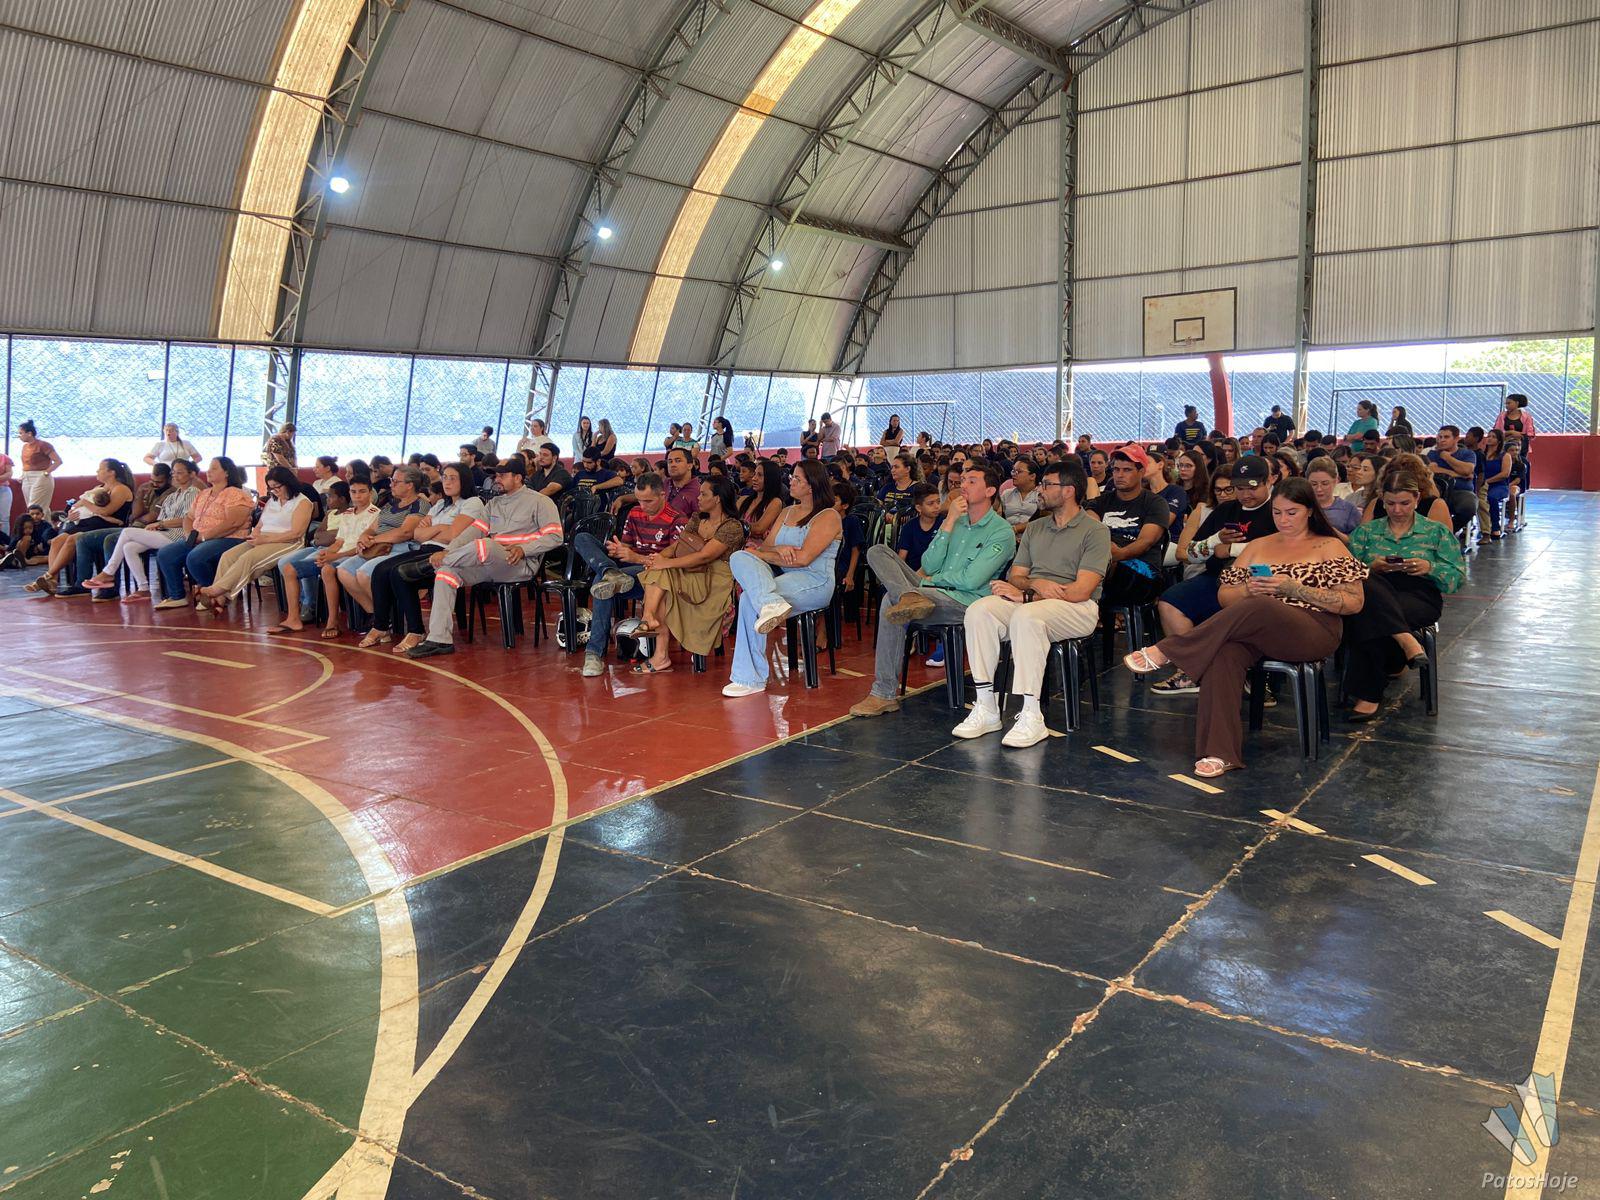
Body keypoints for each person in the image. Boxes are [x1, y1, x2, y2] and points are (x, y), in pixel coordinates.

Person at [1125, 478, 1365, 777]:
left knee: (1262, 605)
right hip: (1257, 628)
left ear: (1309, 511)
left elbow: (1354, 603)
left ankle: (1170, 650)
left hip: (1314, 629)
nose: (1283, 519)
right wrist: (1248, 590)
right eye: (1277, 512)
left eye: (1292, 512)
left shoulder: (1329, 545)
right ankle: (1220, 752)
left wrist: (1294, 589)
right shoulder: (1259, 546)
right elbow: (1225, 597)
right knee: (1224, 652)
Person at [944, 458, 1112, 747]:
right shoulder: (1035, 528)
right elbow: (1017, 576)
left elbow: (1081, 591)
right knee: (980, 610)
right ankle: (986, 707)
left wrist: (1029, 594)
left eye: (1046, 485)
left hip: (1077, 609)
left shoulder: (1095, 531)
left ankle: (1032, 715)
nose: (1040, 490)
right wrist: (1034, 586)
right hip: (1035, 602)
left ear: (1069, 491)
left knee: (1027, 616)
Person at [847, 463, 1013, 716]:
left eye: (971, 481)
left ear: (990, 491)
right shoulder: (955, 522)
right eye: (962, 480)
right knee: (877, 551)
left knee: (891, 600)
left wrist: (932, 581)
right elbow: (929, 563)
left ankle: (883, 694)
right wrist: (949, 521)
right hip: (930, 591)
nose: (963, 486)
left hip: (964, 601)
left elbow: (971, 580)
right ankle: (909, 596)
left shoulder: (1001, 531)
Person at [407, 456, 564, 658]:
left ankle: (429, 565)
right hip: (491, 562)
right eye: (496, 476)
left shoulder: (540, 501)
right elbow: (472, 532)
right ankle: (439, 639)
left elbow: (555, 537)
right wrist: (449, 551)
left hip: (520, 563)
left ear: (518, 477)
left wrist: (525, 549)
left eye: (502, 476)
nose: (497, 480)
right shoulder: (493, 504)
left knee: (486, 545)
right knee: (446, 573)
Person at [1151, 455, 1277, 695]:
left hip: (1260, 582)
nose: (1245, 495)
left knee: (1249, 607)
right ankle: (1193, 669)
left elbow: (1283, 549)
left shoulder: (1279, 510)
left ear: (1268, 481)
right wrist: (1214, 541)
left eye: (1252, 488)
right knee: (1169, 602)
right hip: (1216, 578)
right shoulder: (1226, 509)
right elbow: (1188, 553)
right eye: (1239, 488)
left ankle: (1256, 676)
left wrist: (1231, 549)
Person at [1344, 475, 1465, 720]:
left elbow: (1457, 577)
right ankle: (1406, 641)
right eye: (1390, 504)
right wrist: (1372, 567)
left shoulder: (1435, 532)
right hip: (1374, 589)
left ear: (1417, 499)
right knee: (1367, 590)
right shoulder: (1366, 532)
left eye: (1404, 503)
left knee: (1368, 616)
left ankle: (1368, 694)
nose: (1397, 510)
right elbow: (1345, 571)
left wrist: (1429, 568)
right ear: (1382, 500)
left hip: (1419, 593)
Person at [723, 461, 843, 697]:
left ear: (812, 485)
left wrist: (768, 554)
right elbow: (763, 549)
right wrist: (778, 550)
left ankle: (750, 678)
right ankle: (770, 603)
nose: (791, 482)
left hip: (814, 581)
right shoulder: (787, 512)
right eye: (792, 477)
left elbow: (804, 559)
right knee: (739, 556)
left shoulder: (829, 516)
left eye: (797, 479)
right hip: (781, 578)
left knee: (748, 600)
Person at [622, 475, 746, 675]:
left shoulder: (732, 527)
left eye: (703, 494)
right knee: (659, 575)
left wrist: (665, 563)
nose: (698, 497)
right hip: (690, 572)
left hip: (715, 579)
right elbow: (678, 546)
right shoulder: (698, 519)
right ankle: (650, 623)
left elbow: (704, 557)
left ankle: (657, 644)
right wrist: (658, 559)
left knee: (662, 576)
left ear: (717, 499)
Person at [362, 463, 486, 653]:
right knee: (380, 570)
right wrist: (440, 529)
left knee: (399, 573)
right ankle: (381, 627)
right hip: (425, 548)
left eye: (453, 478)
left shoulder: (472, 503)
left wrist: (433, 529)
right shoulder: (440, 505)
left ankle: (416, 631)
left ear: (465, 480)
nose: (447, 482)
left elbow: (454, 535)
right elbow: (417, 534)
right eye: (445, 478)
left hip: (448, 554)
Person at [579, 473, 686, 676]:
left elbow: (670, 564)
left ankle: (594, 653)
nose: (642, 506)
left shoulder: (677, 519)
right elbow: (627, 548)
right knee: (583, 538)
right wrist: (618, 550)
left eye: (648, 501)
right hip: (629, 570)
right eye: (639, 500)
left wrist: (635, 557)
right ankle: (609, 570)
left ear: (662, 495)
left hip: (654, 576)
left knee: (601, 582)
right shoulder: (635, 512)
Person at [195, 467, 314, 612]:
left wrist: (265, 540)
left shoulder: (302, 502)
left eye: (277, 487)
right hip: (263, 538)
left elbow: (296, 533)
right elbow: (260, 525)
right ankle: (221, 597)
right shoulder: (273, 500)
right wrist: (254, 535)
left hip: (288, 542)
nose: (275, 491)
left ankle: (217, 590)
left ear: (288, 483)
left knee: (249, 558)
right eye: (271, 488)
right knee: (228, 556)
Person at [82, 460, 201, 602]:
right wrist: (157, 524)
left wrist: (160, 524)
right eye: (173, 472)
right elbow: (157, 517)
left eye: (179, 472)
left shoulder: (194, 493)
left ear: (192, 474)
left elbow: (187, 519)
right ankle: (143, 588)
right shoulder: (172, 496)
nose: (175, 475)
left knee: (127, 532)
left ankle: (109, 572)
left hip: (179, 535)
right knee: (129, 547)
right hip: (164, 532)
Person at [271, 479, 379, 634]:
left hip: (355, 556)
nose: (357, 496)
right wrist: (327, 553)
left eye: (362, 491)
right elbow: (339, 542)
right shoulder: (348, 514)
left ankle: (332, 621)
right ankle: (293, 619)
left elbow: (362, 547)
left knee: (327, 570)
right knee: (289, 569)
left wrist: (334, 557)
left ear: (370, 493)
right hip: (338, 554)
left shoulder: (375, 514)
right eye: (353, 492)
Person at [331, 466, 426, 637]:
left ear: (410, 485)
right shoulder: (391, 504)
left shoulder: (419, 504)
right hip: (377, 548)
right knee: (344, 570)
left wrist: (374, 540)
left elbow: (405, 532)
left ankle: (382, 619)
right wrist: (364, 537)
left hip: (400, 549)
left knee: (364, 573)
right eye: (391, 481)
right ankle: (377, 614)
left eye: (395, 482)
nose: (391, 485)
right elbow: (373, 528)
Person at [152, 458, 253, 608]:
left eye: (214, 469)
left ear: (226, 472)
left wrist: (205, 537)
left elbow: (233, 523)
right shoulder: (204, 494)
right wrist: (189, 535)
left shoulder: (236, 493)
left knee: (196, 557)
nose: (208, 472)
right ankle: (177, 596)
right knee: (166, 553)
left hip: (229, 538)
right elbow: (188, 517)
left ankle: (213, 595)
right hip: (199, 538)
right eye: (209, 468)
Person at [28, 459, 136, 597]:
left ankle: (48, 575)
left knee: (73, 539)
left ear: (111, 472)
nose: (97, 471)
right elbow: (76, 505)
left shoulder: (120, 489)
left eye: (100, 469)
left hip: (108, 525)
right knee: (57, 541)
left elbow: (106, 511)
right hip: (89, 522)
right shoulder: (99, 488)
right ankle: (53, 581)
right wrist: (72, 513)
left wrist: (86, 502)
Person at [1087, 445, 1168, 615]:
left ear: (1141, 472)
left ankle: (1093, 612)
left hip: (1144, 571)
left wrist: (1115, 555)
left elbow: (1145, 542)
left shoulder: (1155, 503)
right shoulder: (1100, 502)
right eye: (1116, 469)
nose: (1119, 475)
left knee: (1102, 564)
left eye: (1127, 470)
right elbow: (1089, 528)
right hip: (1103, 563)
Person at [1425, 426, 1478, 531]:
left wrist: (1447, 457)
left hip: (1460, 491)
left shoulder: (1467, 454)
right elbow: (1431, 470)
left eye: (1446, 437)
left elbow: (1467, 470)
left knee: (1469, 506)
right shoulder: (1431, 454)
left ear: (1456, 439)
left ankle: (1449, 531)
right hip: (1437, 491)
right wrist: (1459, 474)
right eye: (1439, 437)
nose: (1442, 440)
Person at [1305, 457, 1361, 538]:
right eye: (1314, 484)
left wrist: (1330, 529)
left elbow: (1356, 541)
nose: (1319, 489)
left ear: (1336, 481)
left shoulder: (1348, 509)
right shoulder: (1302, 506)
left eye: (1325, 484)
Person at [16, 421, 62, 513]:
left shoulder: (43, 445)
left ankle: (36, 522)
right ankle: (47, 522)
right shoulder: (25, 447)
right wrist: (23, 475)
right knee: (39, 507)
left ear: (29, 433)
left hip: (40, 476)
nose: (19, 436)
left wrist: (45, 473)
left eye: (21, 433)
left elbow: (58, 461)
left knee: (34, 507)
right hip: (26, 477)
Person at [1478, 428, 1514, 538]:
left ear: (1499, 440)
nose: (1489, 439)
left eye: (1493, 437)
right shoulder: (1482, 455)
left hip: (1499, 486)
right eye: (1488, 436)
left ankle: (1495, 527)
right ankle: (1480, 527)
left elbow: (1505, 474)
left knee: (1491, 497)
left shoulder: (1505, 456)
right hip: (1482, 484)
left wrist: (1487, 481)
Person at [1003, 458, 1042, 531]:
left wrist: (1015, 529)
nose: (1013, 474)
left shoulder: (1042, 494)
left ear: (1032, 476)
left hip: (1033, 533)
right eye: (1013, 471)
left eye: (1019, 471)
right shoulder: (1006, 494)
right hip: (1007, 533)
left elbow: (1043, 519)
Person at [662, 446, 700, 520]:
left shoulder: (698, 492)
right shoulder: (665, 483)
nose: (673, 465)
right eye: (670, 462)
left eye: (678, 461)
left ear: (690, 465)